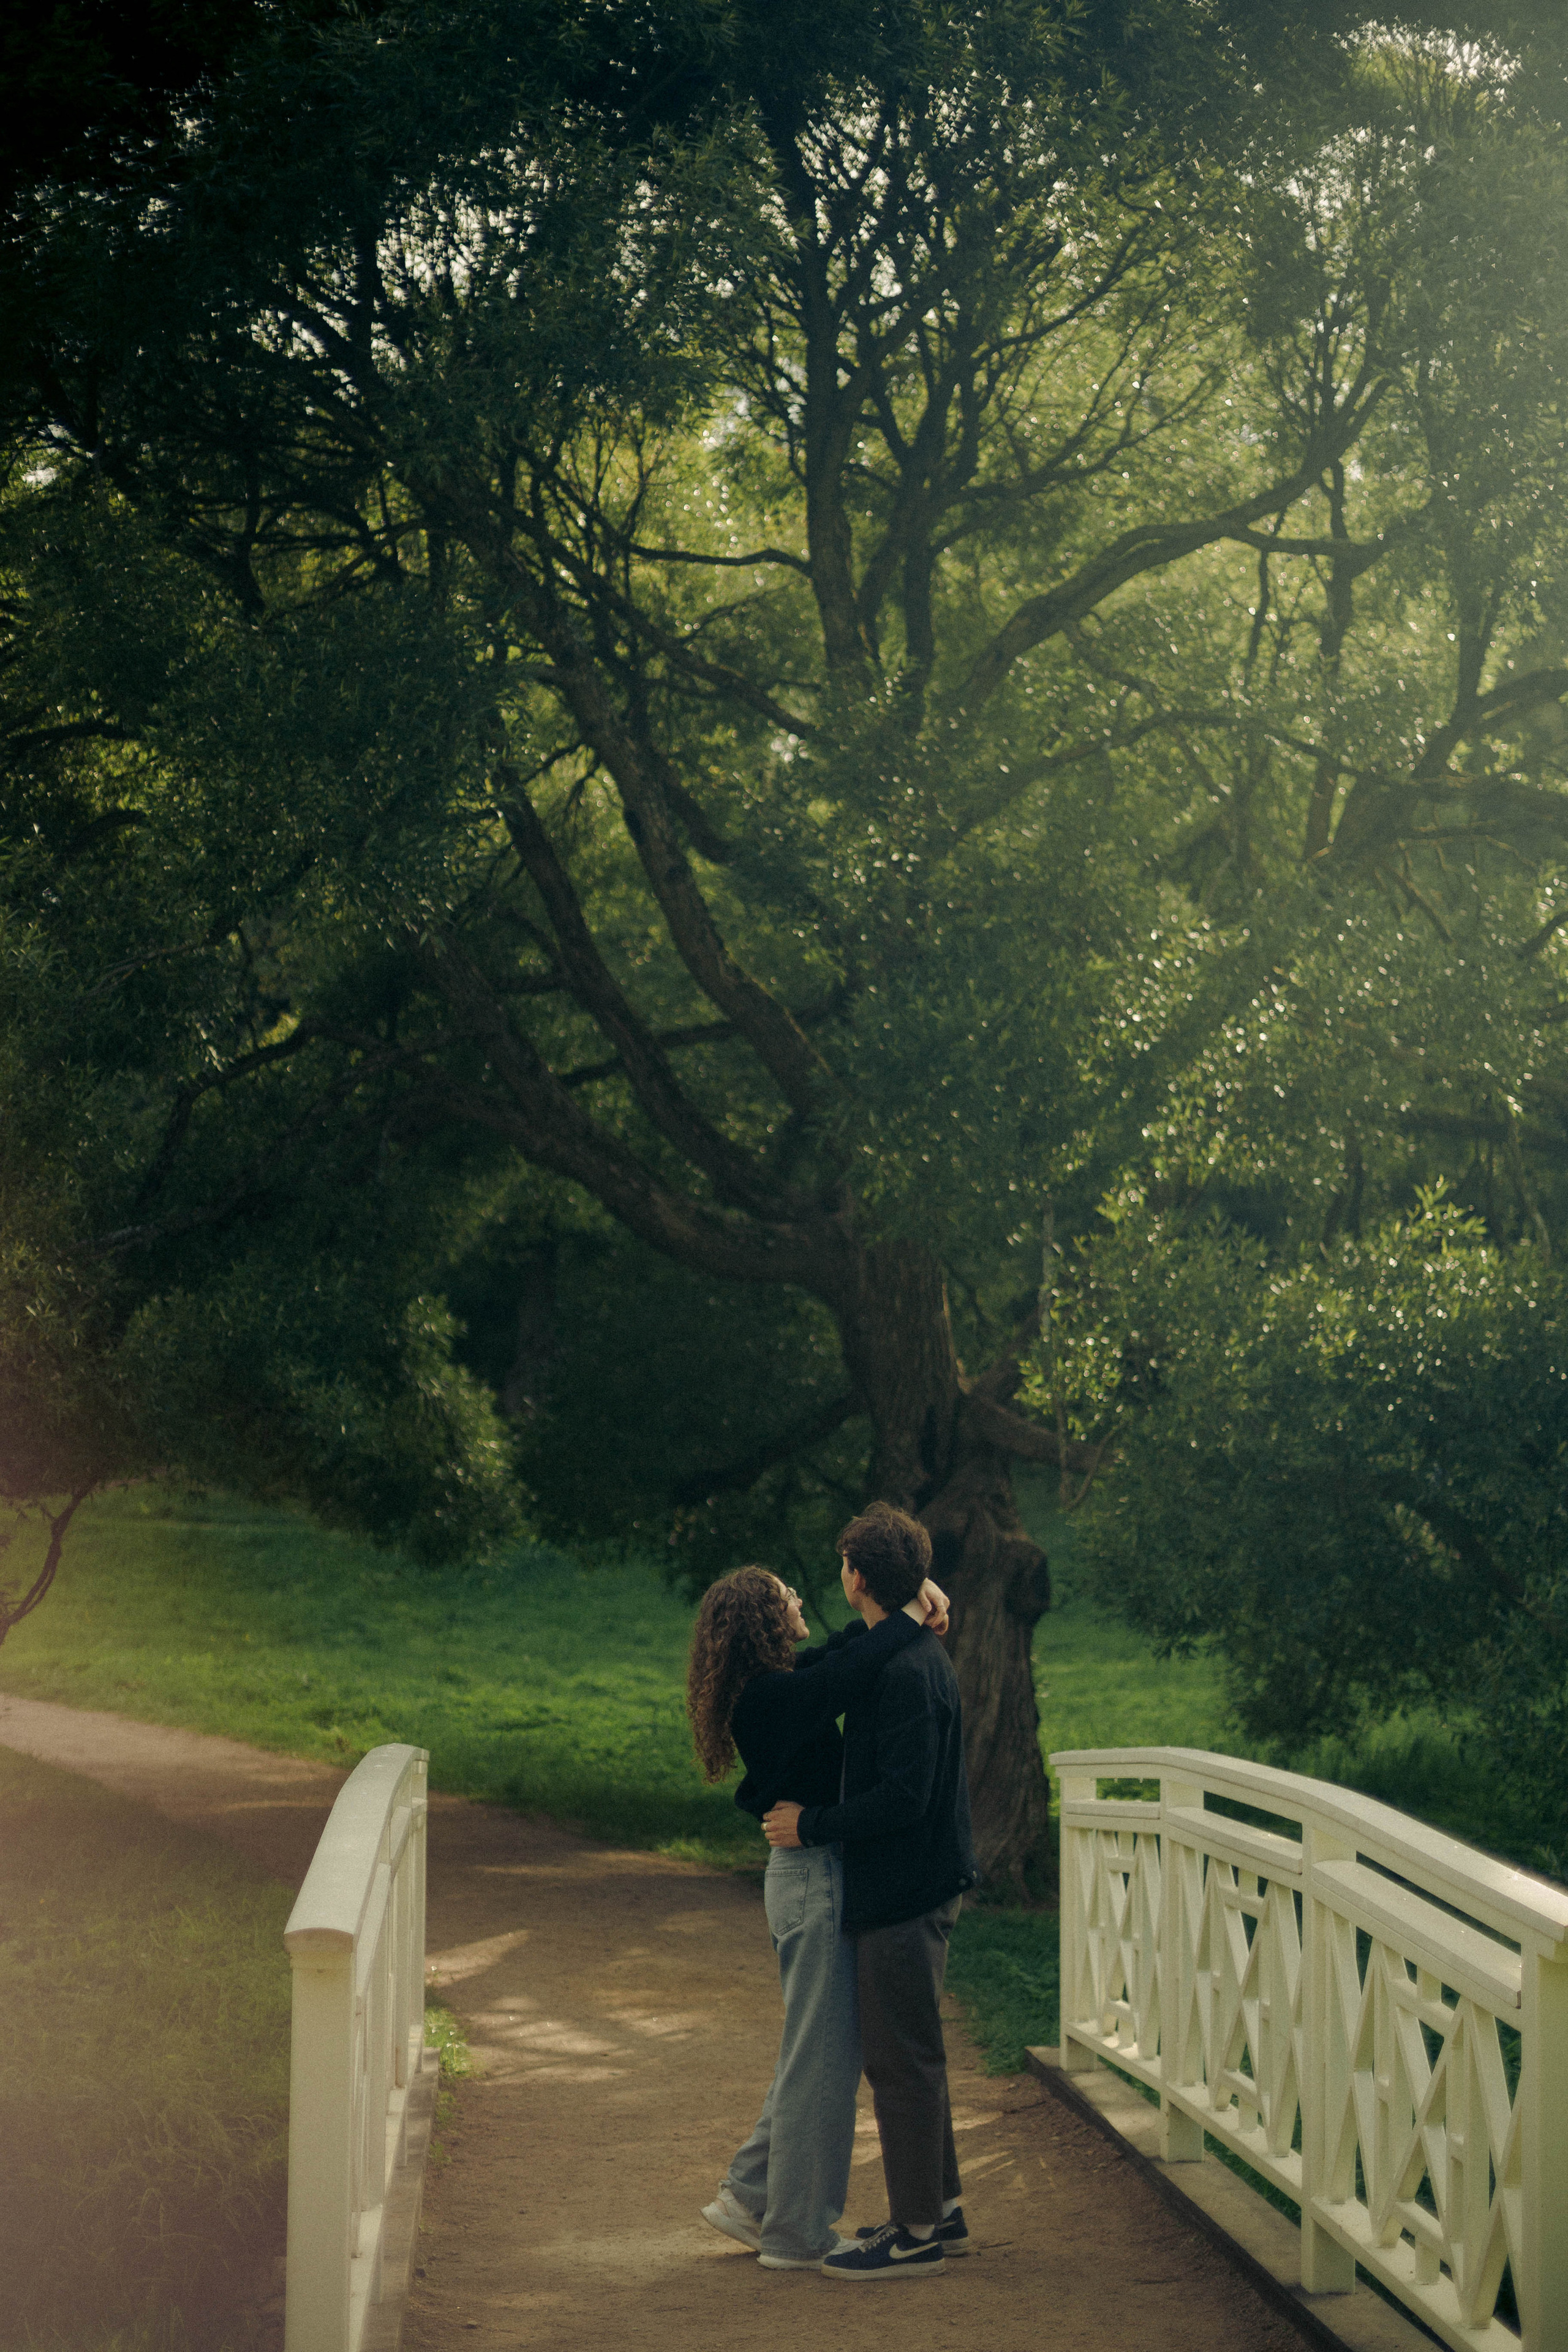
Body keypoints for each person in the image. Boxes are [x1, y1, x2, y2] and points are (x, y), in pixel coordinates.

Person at [686, 1561, 948, 2270]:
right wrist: (909, 1615)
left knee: (813, 2054)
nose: (799, 1598)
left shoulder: (771, 1685)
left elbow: (838, 1653)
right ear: (762, 1620)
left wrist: (914, 1604)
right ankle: (796, 2233)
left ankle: (747, 2197)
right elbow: (849, 1668)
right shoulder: (771, 1698)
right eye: (784, 1596)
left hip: (808, 1878)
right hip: (812, 1879)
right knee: (823, 2063)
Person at [763, 1502, 977, 2282]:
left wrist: (811, 1822)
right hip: (911, 1882)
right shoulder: (901, 1655)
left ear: (856, 1577)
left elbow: (903, 1799)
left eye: (844, 1564)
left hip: (907, 1889)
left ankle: (914, 2231)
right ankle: (941, 2210)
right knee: (912, 2054)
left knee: (900, 2061)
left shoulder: (906, 1673)